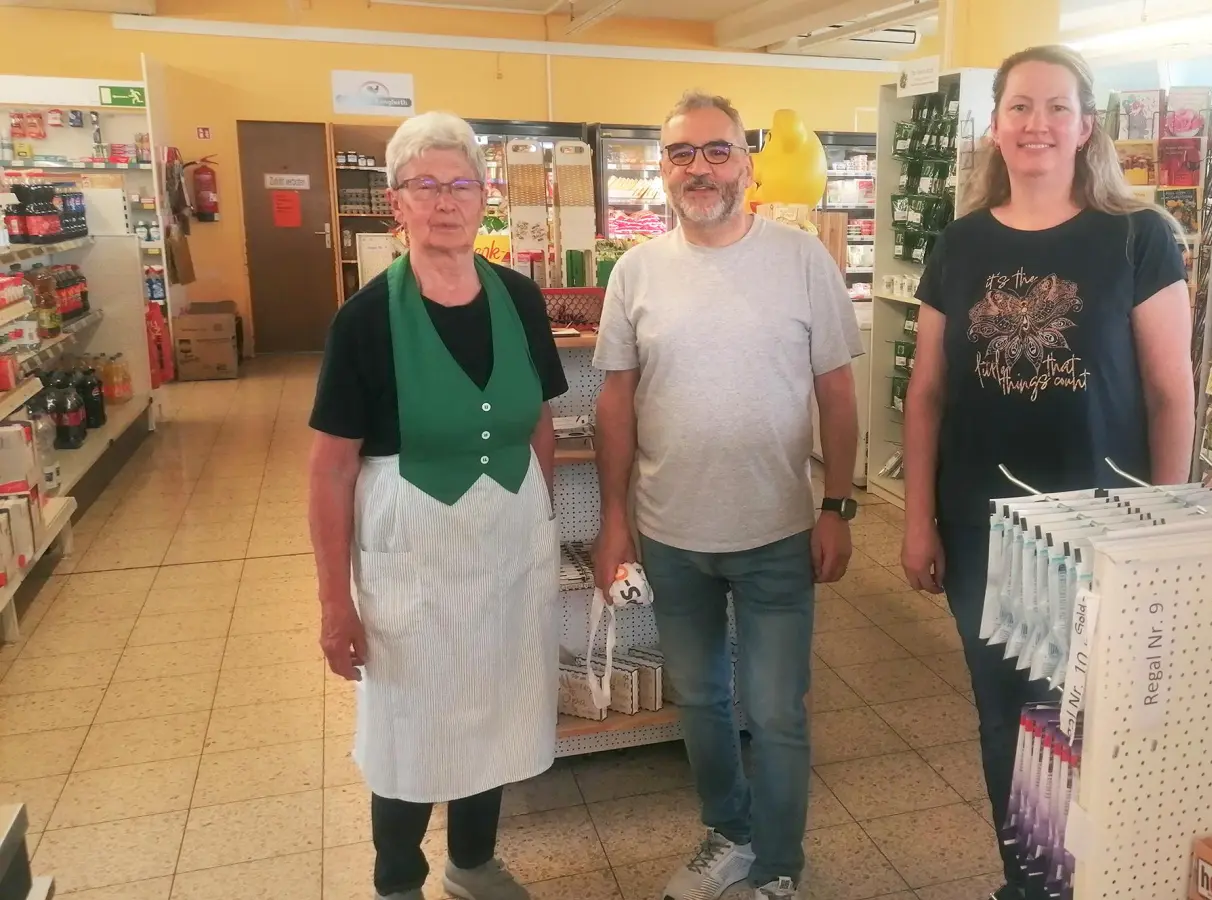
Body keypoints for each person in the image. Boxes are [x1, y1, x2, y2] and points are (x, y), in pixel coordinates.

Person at [899, 45, 1194, 900]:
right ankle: (1028, 881)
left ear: (1086, 125)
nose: (1037, 124)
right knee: (1005, 721)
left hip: (1102, 538)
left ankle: (1096, 881)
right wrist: (917, 520)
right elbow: (925, 394)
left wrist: (1164, 530)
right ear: (995, 127)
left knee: (1092, 723)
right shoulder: (959, 244)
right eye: (1020, 107)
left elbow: (1172, 393)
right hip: (981, 531)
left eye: (1057, 107)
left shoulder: (1138, 237)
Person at [590, 91, 864, 900]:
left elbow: (838, 394)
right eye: (682, 154)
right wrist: (613, 521)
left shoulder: (800, 258)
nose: (699, 168)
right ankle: (730, 831)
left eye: (716, 151)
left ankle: (780, 864)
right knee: (703, 700)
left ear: (745, 164)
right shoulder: (635, 271)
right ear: (663, 170)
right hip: (671, 534)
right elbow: (613, 401)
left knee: (776, 711)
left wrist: (838, 505)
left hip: (779, 528)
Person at [308, 110, 569, 900]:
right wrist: (334, 603)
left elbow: (542, 427)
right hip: (411, 547)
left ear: (485, 197)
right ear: (398, 203)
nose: (446, 201)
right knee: (412, 722)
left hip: (508, 541)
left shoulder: (521, 300)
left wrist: (544, 526)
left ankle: (472, 861)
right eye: (427, 185)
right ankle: (397, 880)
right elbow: (328, 470)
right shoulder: (363, 322)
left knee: (493, 700)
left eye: (461, 184)